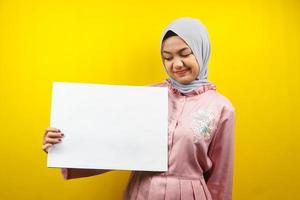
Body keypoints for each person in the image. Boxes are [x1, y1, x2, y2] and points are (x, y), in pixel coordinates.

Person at [42, 17, 236, 200]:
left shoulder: (221, 108)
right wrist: (61, 147)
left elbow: (221, 177)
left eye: (185, 54)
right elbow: (109, 145)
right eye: (167, 57)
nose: (177, 64)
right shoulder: (146, 97)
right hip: (143, 192)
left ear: (202, 50)